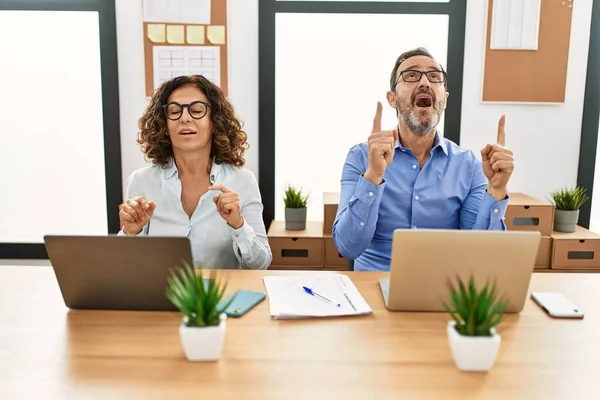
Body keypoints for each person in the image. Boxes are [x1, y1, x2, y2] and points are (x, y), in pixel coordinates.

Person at [332, 48, 515, 272]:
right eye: (411, 75)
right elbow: (348, 247)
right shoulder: (360, 157)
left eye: (434, 76)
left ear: (444, 99)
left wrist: (497, 189)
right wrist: (373, 176)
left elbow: (481, 254)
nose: (425, 82)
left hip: (443, 291)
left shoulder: (468, 165)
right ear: (392, 99)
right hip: (374, 288)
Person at [118, 75, 272, 270]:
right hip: (162, 298)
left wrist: (238, 225)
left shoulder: (243, 181)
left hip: (222, 298)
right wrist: (130, 232)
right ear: (164, 126)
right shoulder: (141, 181)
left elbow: (261, 264)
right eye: (174, 111)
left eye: (197, 110)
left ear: (214, 122)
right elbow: (127, 267)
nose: (185, 118)